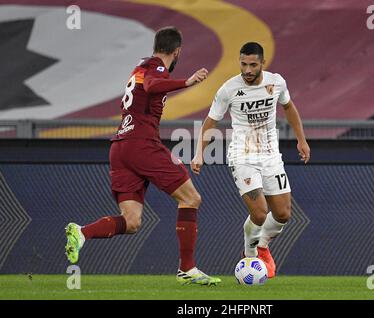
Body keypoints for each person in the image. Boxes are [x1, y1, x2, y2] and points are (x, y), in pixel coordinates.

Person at [65, 26, 221, 286]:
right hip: (141, 144)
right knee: (191, 198)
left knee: (132, 221)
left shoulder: (140, 67)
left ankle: (82, 232)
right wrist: (187, 82)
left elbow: (145, 87)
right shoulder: (156, 67)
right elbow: (152, 85)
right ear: (177, 51)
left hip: (120, 148)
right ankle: (187, 268)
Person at [191, 42, 310, 278]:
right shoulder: (229, 89)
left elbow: (289, 107)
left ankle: (262, 244)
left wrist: (301, 140)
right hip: (242, 156)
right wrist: (198, 153)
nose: (247, 69)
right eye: (243, 64)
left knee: (283, 214)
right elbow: (210, 122)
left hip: (270, 156)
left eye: (253, 65)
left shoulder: (276, 82)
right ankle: (250, 256)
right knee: (259, 213)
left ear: (262, 63)